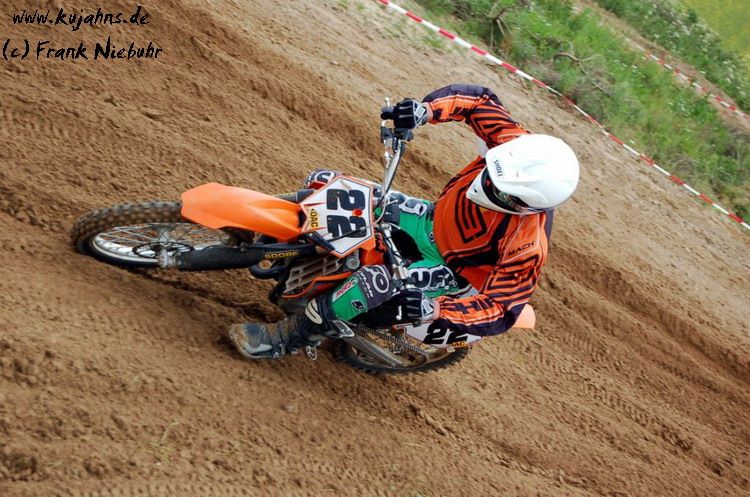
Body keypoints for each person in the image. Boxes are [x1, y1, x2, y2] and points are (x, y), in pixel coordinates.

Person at [228, 84, 579, 359]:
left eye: (501, 190)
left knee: (373, 282)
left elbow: (501, 308)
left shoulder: (526, 244)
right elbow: (479, 102)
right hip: (427, 218)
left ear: (525, 205)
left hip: (450, 270)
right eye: (491, 172)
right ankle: (266, 233)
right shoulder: (516, 146)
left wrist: (434, 308)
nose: (487, 184)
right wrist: (425, 111)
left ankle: (291, 337)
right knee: (325, 182)